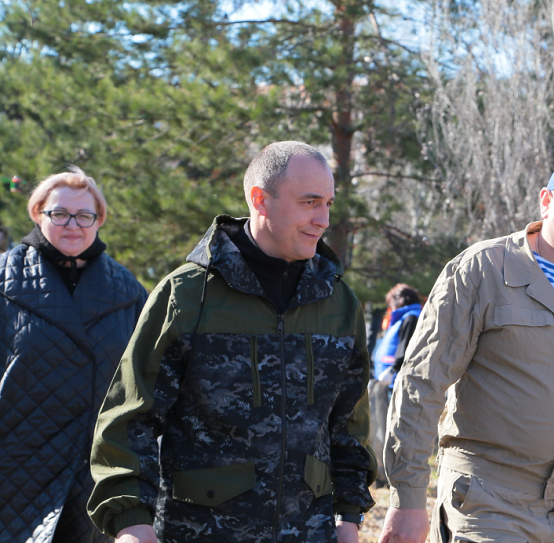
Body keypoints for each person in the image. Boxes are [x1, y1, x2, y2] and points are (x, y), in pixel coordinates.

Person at [87, 141, 376, 543]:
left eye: (327, 203)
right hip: (200, 532)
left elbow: (348, 424)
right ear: (260, 199)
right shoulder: (188, 295)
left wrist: (349, 516)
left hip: (310, 531)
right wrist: (131, 523)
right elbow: (130, 416)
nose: (323, 219)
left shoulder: (337, 301)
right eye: (310, 202)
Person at [379, 153, 554, 543]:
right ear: (546, 202)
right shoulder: (482, 270)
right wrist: (407, 498)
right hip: (485, 501)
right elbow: (420, 384)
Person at [0, 168, 147, 542]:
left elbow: (146, 386)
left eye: (85, 216)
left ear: (99, 221)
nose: (73, 225)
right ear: (37, 213)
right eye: (60, 213)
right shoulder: (3, 280)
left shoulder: (128, 291)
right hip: (15, 472)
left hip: (96, 477)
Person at [369, 284, 422, 486]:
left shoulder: (411, 318)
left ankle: (391, 476)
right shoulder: (404, 318)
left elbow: (406, 349)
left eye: (391, 303)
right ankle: (381, 473)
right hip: (384, 384)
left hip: (395, 385)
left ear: (399, 300)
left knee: (391, 431)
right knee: (380, 430)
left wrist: (392, 370)